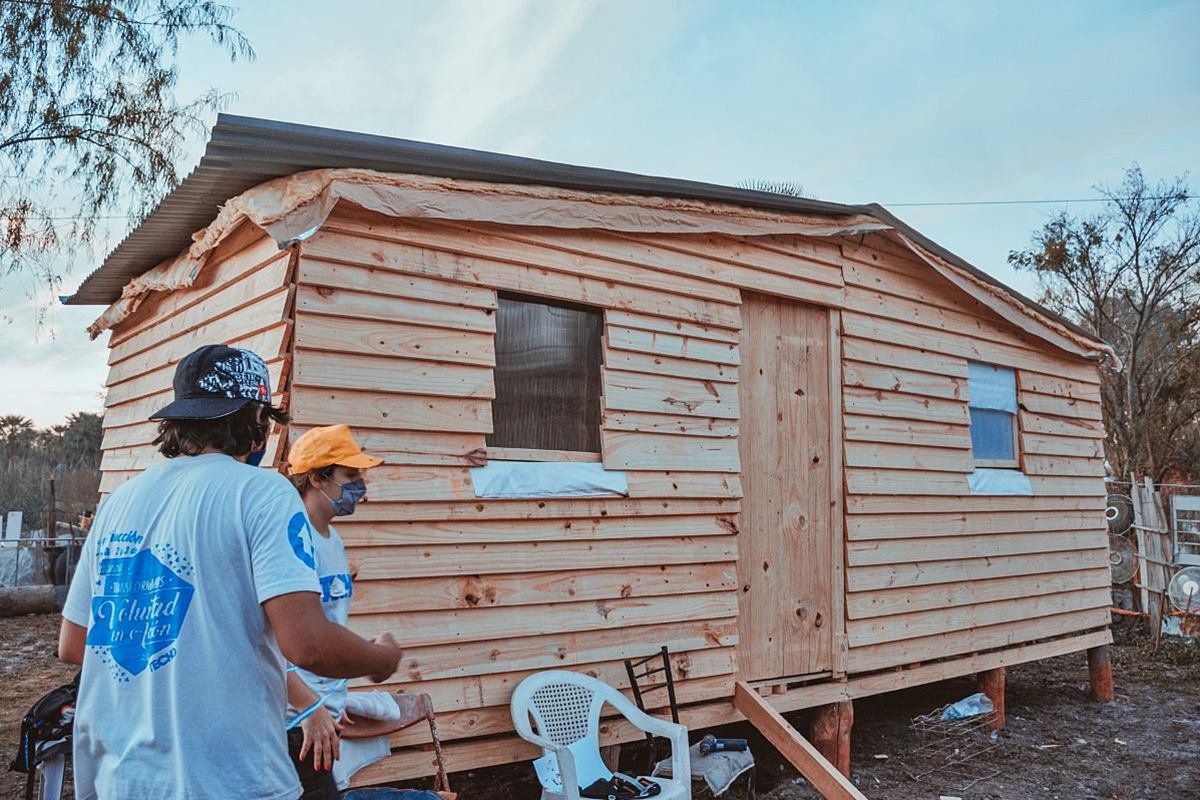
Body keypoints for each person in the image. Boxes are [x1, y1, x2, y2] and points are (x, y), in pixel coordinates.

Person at [58, 344, 404, 800]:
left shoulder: (120, 502)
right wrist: (380, 659)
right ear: (256, 421)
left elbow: (75, 643)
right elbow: (308, 645)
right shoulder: (261, 492)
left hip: (124, 774)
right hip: (226, 777)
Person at [283, 424, 432, 798]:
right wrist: (307, 707)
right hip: (293, 724)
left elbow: (326, 626)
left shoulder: (331, 539)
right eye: (350, 475)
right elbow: (267, 641)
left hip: (322, 715)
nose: (360, 485)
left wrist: (334, 694)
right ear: (316, 478)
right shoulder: (292, 540)